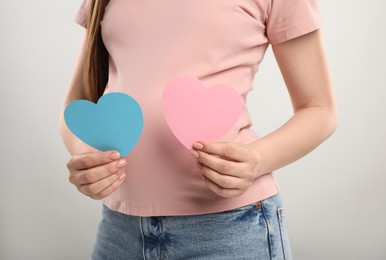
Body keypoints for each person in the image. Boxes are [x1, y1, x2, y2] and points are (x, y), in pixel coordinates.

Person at [59, 0, 337, 259]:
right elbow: (77, 102)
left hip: (229, 230)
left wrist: (257, 159)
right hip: (120, 231)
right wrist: (85, 155)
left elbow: (319, 109)